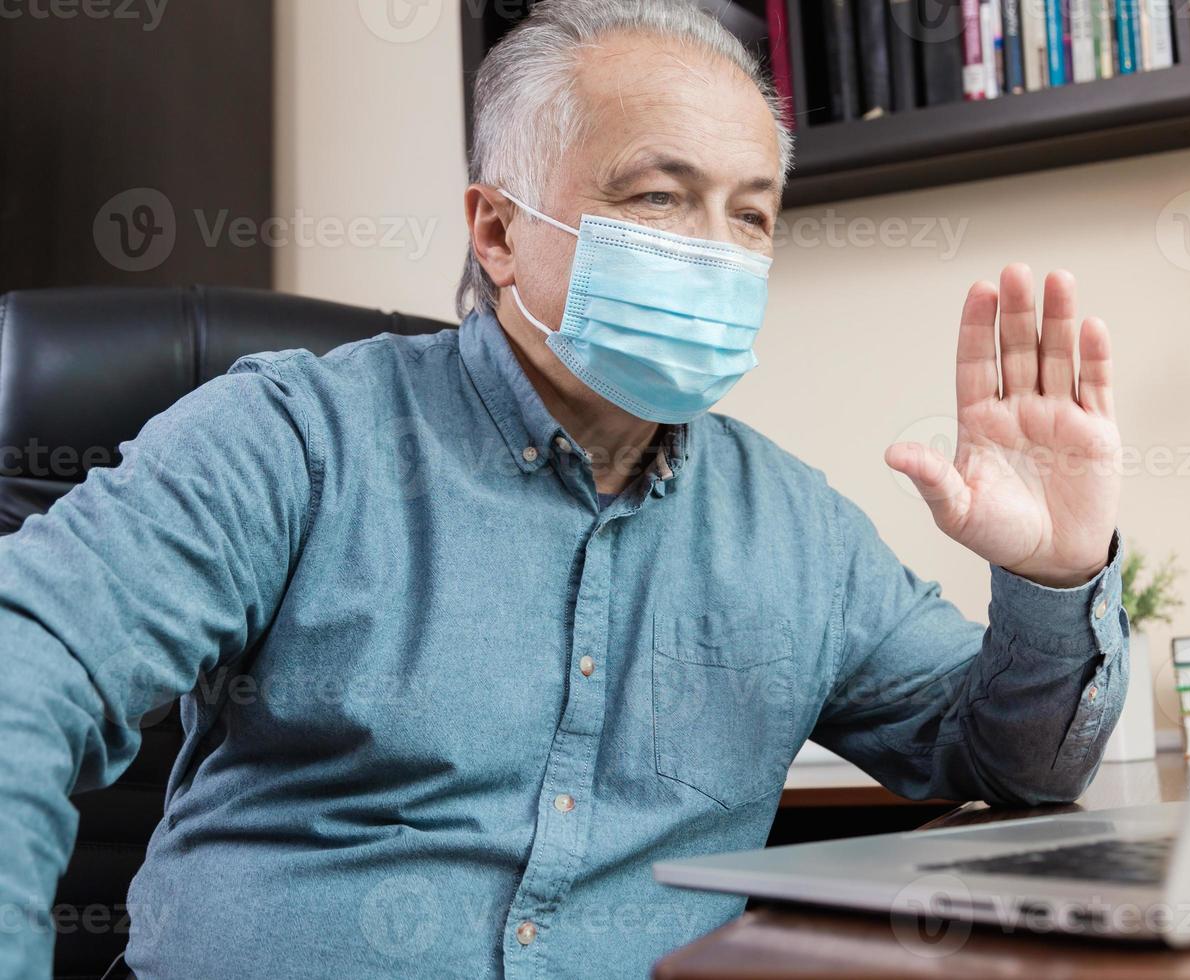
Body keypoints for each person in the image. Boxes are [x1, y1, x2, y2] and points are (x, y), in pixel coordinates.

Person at [0, 1, 1128, 976]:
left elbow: (1005, 763)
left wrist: (1052, 572)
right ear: (496, 229)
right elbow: (26, 665)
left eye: (750, 215)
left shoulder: (795, 527)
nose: (716, 254)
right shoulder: (291, 438)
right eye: (657, 198)